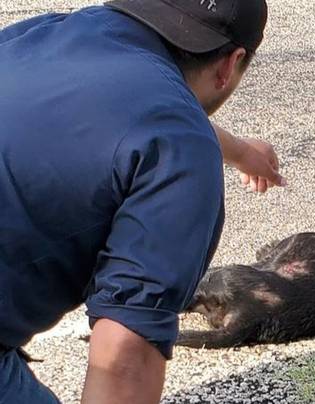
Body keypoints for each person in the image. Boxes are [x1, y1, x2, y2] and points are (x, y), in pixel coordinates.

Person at [0, 1, 284, 402]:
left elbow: (133, 105)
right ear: (230, 64)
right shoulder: (182, 150)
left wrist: (238, 150)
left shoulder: (41, 35)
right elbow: (123, 362)